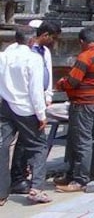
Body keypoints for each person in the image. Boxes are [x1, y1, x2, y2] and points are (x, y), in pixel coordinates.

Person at [54, 27, 94, 193]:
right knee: (75, 140)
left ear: (82, 42)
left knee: (82, 142)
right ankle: (71, 174)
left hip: (83, 104)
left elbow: (72, 81)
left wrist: (62, 83)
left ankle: (81, 180)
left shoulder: (85, 56)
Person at [9, 19, 61, 195]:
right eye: (52, 37)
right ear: (43, 35)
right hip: (23, 102)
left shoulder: (44, 52)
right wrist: (40, 113)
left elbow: (48, 73)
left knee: (26, 142)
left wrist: (48, 95)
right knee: (30, 143)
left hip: (35, 100)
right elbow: (31, 85)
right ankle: (21, 178)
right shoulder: (21, 53)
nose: (53, 42)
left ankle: (23, 176)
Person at [0, 28, 51, 205]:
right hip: (27, 108)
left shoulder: (4, 56)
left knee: (3, 146)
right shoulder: (33, 58)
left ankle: (1, 192)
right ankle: (36, 188)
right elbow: (35, 90)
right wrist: (41, 114)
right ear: (32, 41)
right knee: (38, 145)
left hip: (6, 105)